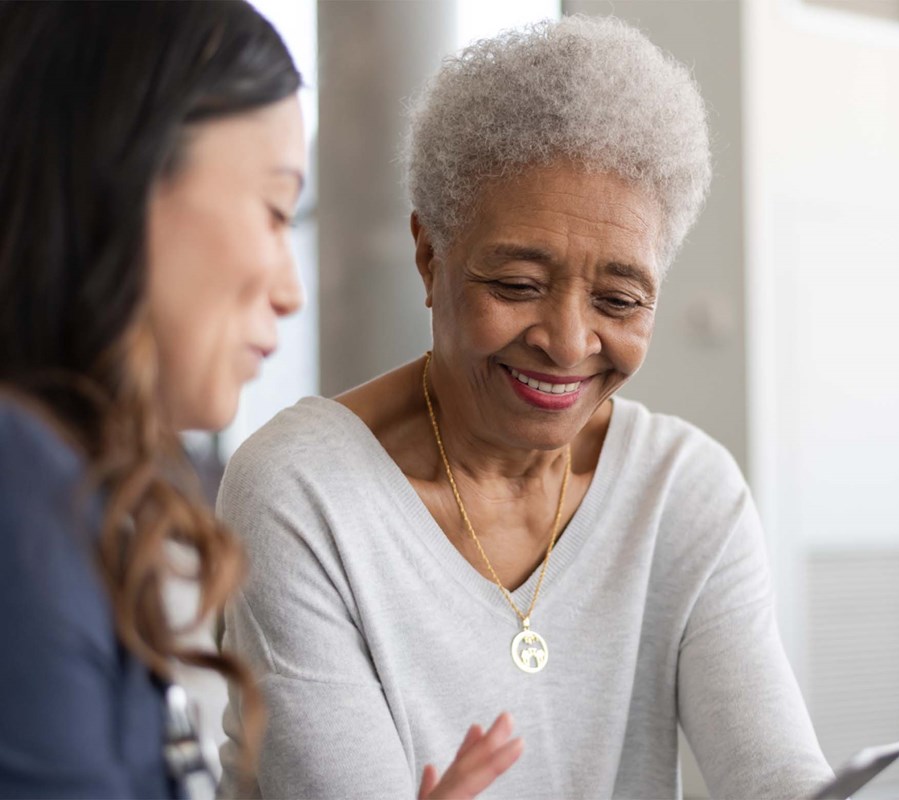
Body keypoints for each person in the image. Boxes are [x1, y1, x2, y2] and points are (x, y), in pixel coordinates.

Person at [216, 14, 835, 800]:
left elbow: (778, 776)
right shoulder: (302, 491)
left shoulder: (685, 493)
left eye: (619, 298)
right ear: (429, 256)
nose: (570, 343)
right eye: (516, 286)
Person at [0, 3, 518, 799]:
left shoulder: (70, 494)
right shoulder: (19, 489)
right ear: (125, 178)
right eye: (275, 211)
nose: (289, 290)